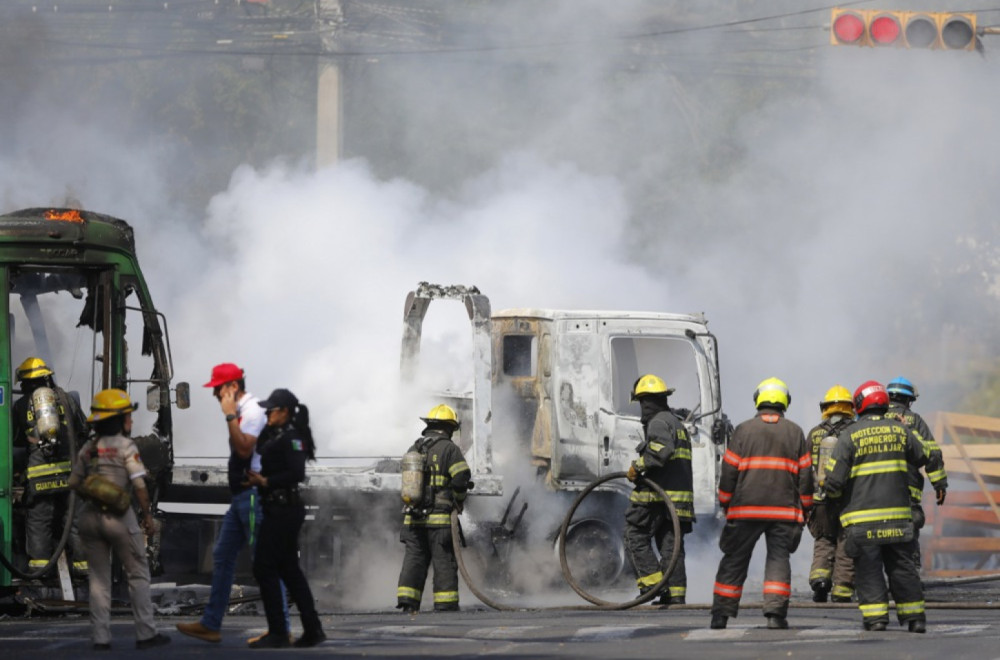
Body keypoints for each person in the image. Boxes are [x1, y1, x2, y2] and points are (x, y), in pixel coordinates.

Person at [177, 363, 287, 644]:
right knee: (223, 556)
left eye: (217, 389)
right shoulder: (245, 412)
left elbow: (243, 448)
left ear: (233, 387)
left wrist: (228, 417)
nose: (215, 395)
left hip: (254, 499)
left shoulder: (251, 411)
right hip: (242, 498)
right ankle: (211, 624)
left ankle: (280, 629)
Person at [824, 380, 943, 633]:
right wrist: (905, 432)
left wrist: (831, 496)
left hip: (863, 522)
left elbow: (834, 482)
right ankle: (915, 619)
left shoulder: (850, 435)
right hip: (900, 518)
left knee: (868, 570)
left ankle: (876, 619)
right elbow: (923, 456)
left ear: (860, 405)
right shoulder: (901, 431)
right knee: (902, 566)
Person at [67, 389, 170, 650]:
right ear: (119, 419)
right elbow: (139, 486)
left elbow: (74, 482)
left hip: (89, 518)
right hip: (119, 518)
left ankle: (100, 638)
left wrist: (96, 490)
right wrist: (146, 515)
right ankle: (146, 634)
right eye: (127, 416)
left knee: (98, 580)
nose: (131, 421)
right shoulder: (126, 447)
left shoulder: (88, 449)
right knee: (137, 574)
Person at [710, 377, 812, 630]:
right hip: (784, 512)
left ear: (759, 400)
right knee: (778, 561)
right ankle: (775, 615)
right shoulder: (795, 432)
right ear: (784, 402)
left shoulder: (743, 431)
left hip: (745, 510)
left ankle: (720, 615)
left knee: (734, 559)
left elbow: (729, 471)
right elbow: (806, 476)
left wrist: (725, 502)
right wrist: (806, 508)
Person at [244, 388, 326, 648]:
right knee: (289, 570)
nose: (268, 413)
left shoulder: (292, 438)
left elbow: (297, 472)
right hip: (277, 508)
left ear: (285, 412)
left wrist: (266, 480)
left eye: (273, 410)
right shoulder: (276, 435)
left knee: (264, 566)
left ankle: (279, 631)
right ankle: (312, 629)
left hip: (284, 509)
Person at [12, 357, 90, 576]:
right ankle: (83, 569)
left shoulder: (20, 405)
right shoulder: (68, 399)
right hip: (70, 474)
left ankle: (40, 570)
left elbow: (15, 440)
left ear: (26, 383)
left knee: (39, 521)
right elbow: (83, 431)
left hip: (39, 475)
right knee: (74, 520)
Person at [623, 374, 694, 607]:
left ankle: (652, 585)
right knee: (671, 548)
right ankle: (675, 595)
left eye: (642, 402)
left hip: (657, 498)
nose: (642, 408)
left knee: (635, 534)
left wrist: (637, 467)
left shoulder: (658, 422)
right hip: (678, 501)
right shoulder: (676, 422)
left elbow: (661, 451)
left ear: (646, 401)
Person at [396, 404, 472, 613]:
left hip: (413, 518)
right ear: (449, 428)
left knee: (414, 559)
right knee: (444, 561)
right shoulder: (449, 449)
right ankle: (445, 603)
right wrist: (459, 499)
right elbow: (461, 478)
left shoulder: (415, 448)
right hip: (439, 521)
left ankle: (407, 600)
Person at [885, 377, 948, 569]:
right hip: (907, 491)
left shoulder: (873, 419)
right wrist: (939, 484)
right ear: (908, 400)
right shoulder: (915, 421)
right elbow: (932, 454)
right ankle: (909, 580)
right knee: (908, 536)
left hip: (873, 492)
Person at [805, 385, 856, 603]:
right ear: (850, 407)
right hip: (848, 500)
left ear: (825, 408)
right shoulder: (856, 431)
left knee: (823, 540)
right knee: (844, 542)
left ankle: (820, 581)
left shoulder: (815, 433)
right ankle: (842, 589)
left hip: (820, 500)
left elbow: (805, 467)